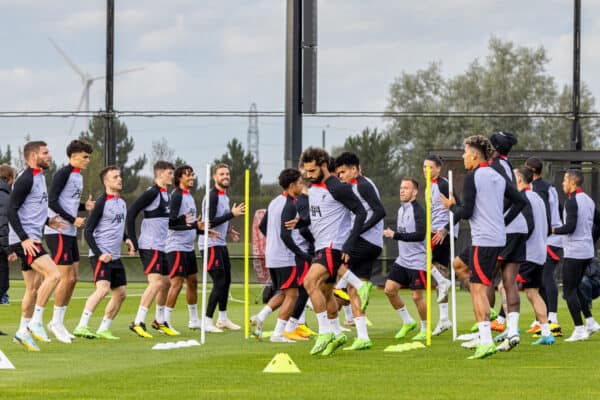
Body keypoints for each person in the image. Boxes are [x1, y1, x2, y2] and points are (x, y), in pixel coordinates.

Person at [440, 135, 525, 359]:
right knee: (480, 284)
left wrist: (451, 207)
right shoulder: (497, 175)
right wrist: (501, 222)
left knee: (478, 288)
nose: (463, 156)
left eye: (465, 152)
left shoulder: (473, 176)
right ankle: (486, 337)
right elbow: (520, 201)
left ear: (475, 155)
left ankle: (485, 340)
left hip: (483, 240)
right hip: (497, 239)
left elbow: (466, 212)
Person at [297, 147, 366, 356]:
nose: (308, 176)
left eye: (312, 171)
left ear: (324, 166)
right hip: (321, 246)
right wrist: (302, 221)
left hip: (332, 247)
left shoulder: (336, 187)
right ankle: (336, 334)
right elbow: (322, 215)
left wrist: (350, 243)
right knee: (326, 294)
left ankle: (324, 332)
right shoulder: (315, 188)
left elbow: (361, 211)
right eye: (306, 172)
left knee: (309, 283)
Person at [9, 141, 66, 351]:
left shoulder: (40, 177)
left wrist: (47, 222)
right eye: (45, 152)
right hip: (25, 241)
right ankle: (35, 322)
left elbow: (30, 211)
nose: (49, 156)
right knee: (54, 276)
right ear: (33, 156)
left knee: (33, 289)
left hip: (30, 237)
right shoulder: (26, 179)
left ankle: (22, 331)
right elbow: (12, 210)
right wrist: (23, 238)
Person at [74, 166, 134, 340]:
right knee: (103, 289)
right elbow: (88, 231)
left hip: (115, 256)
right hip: (101, 256)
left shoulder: (121, 203)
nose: (119, 179)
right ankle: (82, 325)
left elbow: (116, 226)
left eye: (120, 176)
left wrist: (127, 239)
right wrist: (100, 253)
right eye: (115, 177)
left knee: (121, 293)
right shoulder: (101, 202)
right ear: (106, 182)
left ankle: (103, 329)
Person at [333, 152, 385, 350]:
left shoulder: (363, 184)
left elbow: (380, 211)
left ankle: (326, 315)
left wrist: (358, 232)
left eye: (344, 172)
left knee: (331, 263)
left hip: (365, 242)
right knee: (354, 291)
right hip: (367, 241)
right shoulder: (354, 186)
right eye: (338, 173)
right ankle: (363, 337)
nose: (341, 176)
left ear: (354, 169)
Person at [45, 140, 94, 343]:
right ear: (73, 156)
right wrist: (73, 219)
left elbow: (69, 202)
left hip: (70, 232)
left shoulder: (78, 176)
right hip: (57, 230)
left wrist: (84, 206)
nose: (87, 160)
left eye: (88, 157)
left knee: (73, 278)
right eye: (85, 156)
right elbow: (52, 201)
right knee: (65, 277)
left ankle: (59, 321)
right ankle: (54, 322)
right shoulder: (63, 173)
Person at [256, 168, 309, 342]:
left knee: (285, 292)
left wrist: (273, 242)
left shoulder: (274, 202)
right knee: (293, 295)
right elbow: (285, 236)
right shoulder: (290, 205)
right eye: (300, 182)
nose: (302, 185)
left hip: (271, 256)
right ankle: (278, 334)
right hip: (284, 258)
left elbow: (262, 226)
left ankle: (260, 317)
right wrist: (301, 253)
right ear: (292, 185)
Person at [126, 161, 178, 338]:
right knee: (156, 283)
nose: (172, 176)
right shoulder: (152, 193)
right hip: (149, 245)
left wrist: (192, 224)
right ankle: (138, 322)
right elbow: (132, 212)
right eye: (170, 173)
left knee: (166, 283)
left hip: (162, 246)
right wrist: (132, 240)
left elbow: (168, 222)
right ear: (160, 174)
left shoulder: (166, 195)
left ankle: (160, 320)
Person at [488, 131, 528, 350]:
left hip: (507, 232)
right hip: (515, 229)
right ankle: (511, 332)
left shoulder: (495, 167)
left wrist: (500, 222)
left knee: (484, 278)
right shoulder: (504, 164)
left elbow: (515, 199)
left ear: (492, 148)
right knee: (509, 281)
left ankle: (484, 331)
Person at [551, 169, 600, 342]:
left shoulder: (571, 202)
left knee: (569, 290)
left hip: (575, 252)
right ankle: (590, 321)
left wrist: (552, 230)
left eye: (565, 180)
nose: (563, 183)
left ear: (573, 182)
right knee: (577, 286)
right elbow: (598, 224)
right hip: (586, 251)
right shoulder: (588, 200)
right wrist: (590, 240)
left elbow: (570, 227)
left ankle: (579, 329)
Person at [511, 167, 554, 345]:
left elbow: (527, 225)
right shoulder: (537, 197)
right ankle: (546, 333)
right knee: (532, 292)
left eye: (513, 178)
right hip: (540, 251)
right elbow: (548, 223)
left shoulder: (524, 198)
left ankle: (510, 329)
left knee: (504, 286)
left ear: (520, 180)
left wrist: (514, 246)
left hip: (527, 253)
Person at [199, 164, 245, 332]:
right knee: (219, 281)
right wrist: (232, 214)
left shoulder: (224, 196)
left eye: (227, 173)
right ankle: (207, 320)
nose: (225, 176)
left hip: (221, 243)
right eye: (221, 174)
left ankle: (223, 319)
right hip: (210, 244)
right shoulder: (212, 196)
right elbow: (208, 223)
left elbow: (220, 219)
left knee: (226, 281)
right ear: (214, 177)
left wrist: (229, 228)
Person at [383, 178, 429, 342]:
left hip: (418, 261)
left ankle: (425, 328)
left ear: (415, 192)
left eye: (406, 188)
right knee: (389, 290)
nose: (402, 191)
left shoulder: (419, 210)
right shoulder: (401, 210)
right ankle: (408, 321)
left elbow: (420, 235)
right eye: (401, 188)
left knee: (417, 297)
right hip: (403, 260)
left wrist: (395, 235)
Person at [525, 156, 563, 336]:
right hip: (547, 238)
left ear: (531, 171)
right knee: (539, 281)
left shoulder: (539, 189)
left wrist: (544, 233)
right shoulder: (548, 188)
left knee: (547, 278)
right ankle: (542, 319)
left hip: (549, 239)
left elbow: (546, 216)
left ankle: (553, 320)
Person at [163, 165, 204, 334]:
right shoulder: (177, 196)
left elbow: (190, 224)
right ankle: (164, 321)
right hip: (176, 246)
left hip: (188, 247)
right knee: (177, 283)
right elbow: (171, 222)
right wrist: (193, 224)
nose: (191, 178)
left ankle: (194, 320)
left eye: (192, 174)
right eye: (188, 175)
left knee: (193, 281)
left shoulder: (190, 197)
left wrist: (202, 229)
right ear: (179, 178)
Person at [424, 155, 458, 336]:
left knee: (422, 260)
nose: (426, 171)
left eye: (430, 167)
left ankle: (444, 282)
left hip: (443, 232)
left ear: (438, 168)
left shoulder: (444, 184)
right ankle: (444, 318)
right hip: (433, 231)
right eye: (424, 167)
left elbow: (458, 207)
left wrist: (445, 229)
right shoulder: (429, 186)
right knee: (438, 272)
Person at [0, 165, 15, 335]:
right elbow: (2, 225)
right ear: (10, 178)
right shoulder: (4, 196)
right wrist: (8, 250)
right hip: (0, 249)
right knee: (2, 284)